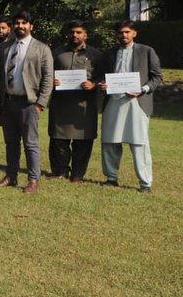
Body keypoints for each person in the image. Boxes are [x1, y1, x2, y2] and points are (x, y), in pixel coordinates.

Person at [0, 11, 53, 193]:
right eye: (17, 23)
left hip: (29, 103)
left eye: (24, 23)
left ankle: (33, 179)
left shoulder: (42, 48)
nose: (20, 26)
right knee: (11, 142)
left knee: (30, 143)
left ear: (31, 26)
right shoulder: (5, 47)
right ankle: (11, 176)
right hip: (8, 102)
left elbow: (48, 79)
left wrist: (40, 104)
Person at [99, 22, 162, 192]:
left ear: (134, 33)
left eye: (127, 32)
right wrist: (103, 84)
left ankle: (145, 183)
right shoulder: (110, 53)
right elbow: (101, 75)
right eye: (120, 32)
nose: (123, 35)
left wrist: (143, 90)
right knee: (109, 141)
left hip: (137, 102)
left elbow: (157, 77)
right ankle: (111, 178)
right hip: (113, 100)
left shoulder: (147, 51)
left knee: (139, 143)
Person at [47, 21, 103, 182]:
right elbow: (46, 73)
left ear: (86, 35)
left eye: (79, 32)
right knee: (58, 139)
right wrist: (52, 81)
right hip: (61, 103)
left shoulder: (96, 55)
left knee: (83, 141)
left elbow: (104, 76)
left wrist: (94, 84)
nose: (75, 35)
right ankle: (60, 172)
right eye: (72, 32)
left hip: (84, 105)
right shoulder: (56, 53)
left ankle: (78, 174)